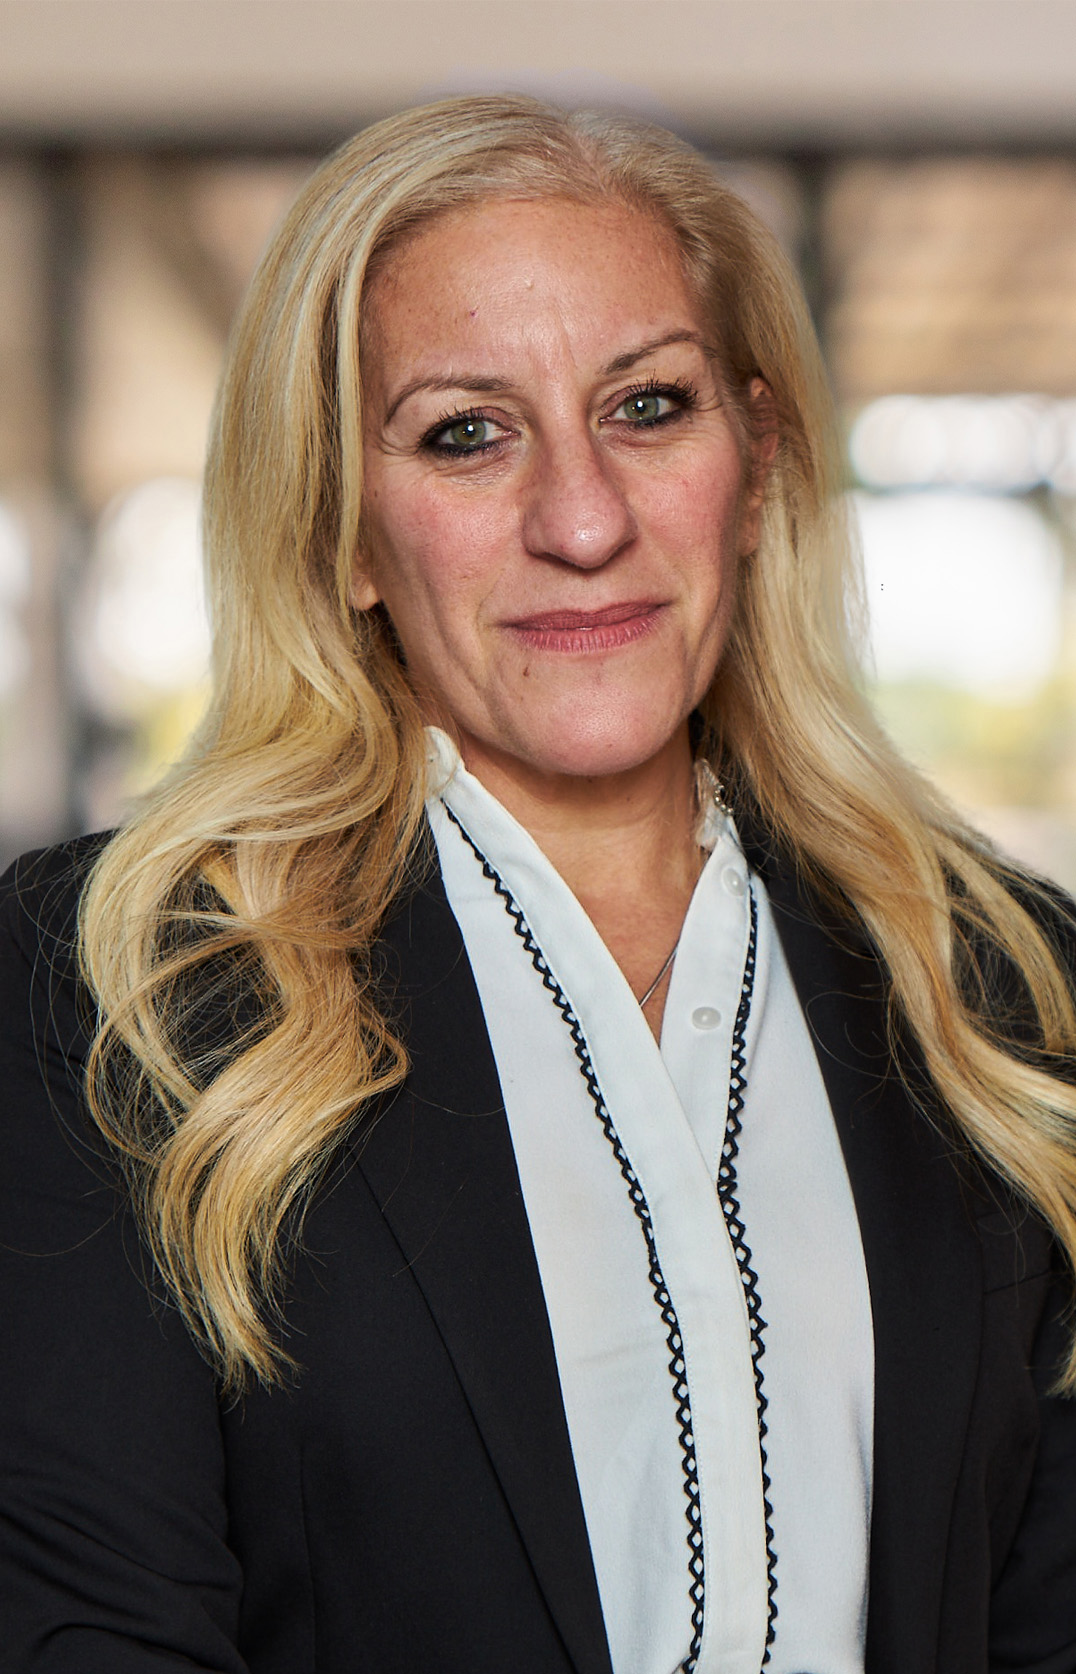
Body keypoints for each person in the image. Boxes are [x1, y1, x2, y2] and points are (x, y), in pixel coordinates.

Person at [2, 94, 1075, 1674]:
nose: (583, 519)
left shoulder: (1003, 991)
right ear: (345, 528)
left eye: (648, 407)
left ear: (757, 460)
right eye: (465, 432)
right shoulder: (121, 994)